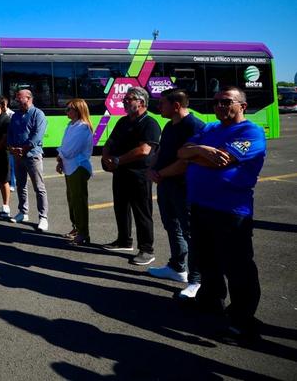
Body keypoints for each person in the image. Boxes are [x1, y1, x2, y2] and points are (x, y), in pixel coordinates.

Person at [179, 87, 266, 345]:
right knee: (206, 258)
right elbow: (181, 152)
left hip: (230, 211)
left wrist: (195, 155)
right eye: (216, 101)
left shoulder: (251, 132)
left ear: (242, 106)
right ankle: (210, 299)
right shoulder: (210, 128)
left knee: (238, 266)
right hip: (201, 205)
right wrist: (202, 149)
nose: (219, 106)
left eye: (226, 102)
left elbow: (221, 161)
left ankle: (243, 321)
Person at [146, 89, 205, 296]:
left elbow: (187, 162)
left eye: (162, 103)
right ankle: (177, 267)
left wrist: (159, 173)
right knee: (172, 226)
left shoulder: (194, 126)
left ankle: (197, 280)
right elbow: (161, 151)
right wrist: (152, 168)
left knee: (191, 232)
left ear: (176, 106)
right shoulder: (169, 125)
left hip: (184, 187)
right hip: (166, 185)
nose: (159, 107)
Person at [101, 87, 161, 265]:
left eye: (129, 99)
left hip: (139, 174)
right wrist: (106, 158)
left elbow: (144, 150)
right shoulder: (123, 121)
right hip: (120, 173)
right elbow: (110, 141)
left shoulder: (150, 123)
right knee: (120, 207)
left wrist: (118, 160)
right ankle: (124, 240)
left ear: (141, 102)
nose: (124, 101)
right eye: (124, 99)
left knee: (142, 212)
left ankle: (146, 249)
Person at [7, 89, 50, 231]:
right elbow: (10, 133)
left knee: (39, 187)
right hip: (18, 156)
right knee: (21, 185)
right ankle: (23, 212)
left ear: (28, 98)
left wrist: (24, 148)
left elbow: (38, 134)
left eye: (19, 98)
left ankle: (43, 217)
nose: (16, 100)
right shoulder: (16, 115)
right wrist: (12, 147)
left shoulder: (38, 114)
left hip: (32, 155)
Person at [56, 99, 94, 246]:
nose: (66, 111)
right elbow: (64, 145)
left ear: (78, 111)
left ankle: (84, 233)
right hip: (69, 167)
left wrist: (60, 156)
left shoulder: (83, 127)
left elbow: (71, 149)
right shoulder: (71, 125)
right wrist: (60, 160)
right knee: (72, 200)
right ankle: (77, 228)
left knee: (79, 201)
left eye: (69, 109)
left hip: (78, 167)